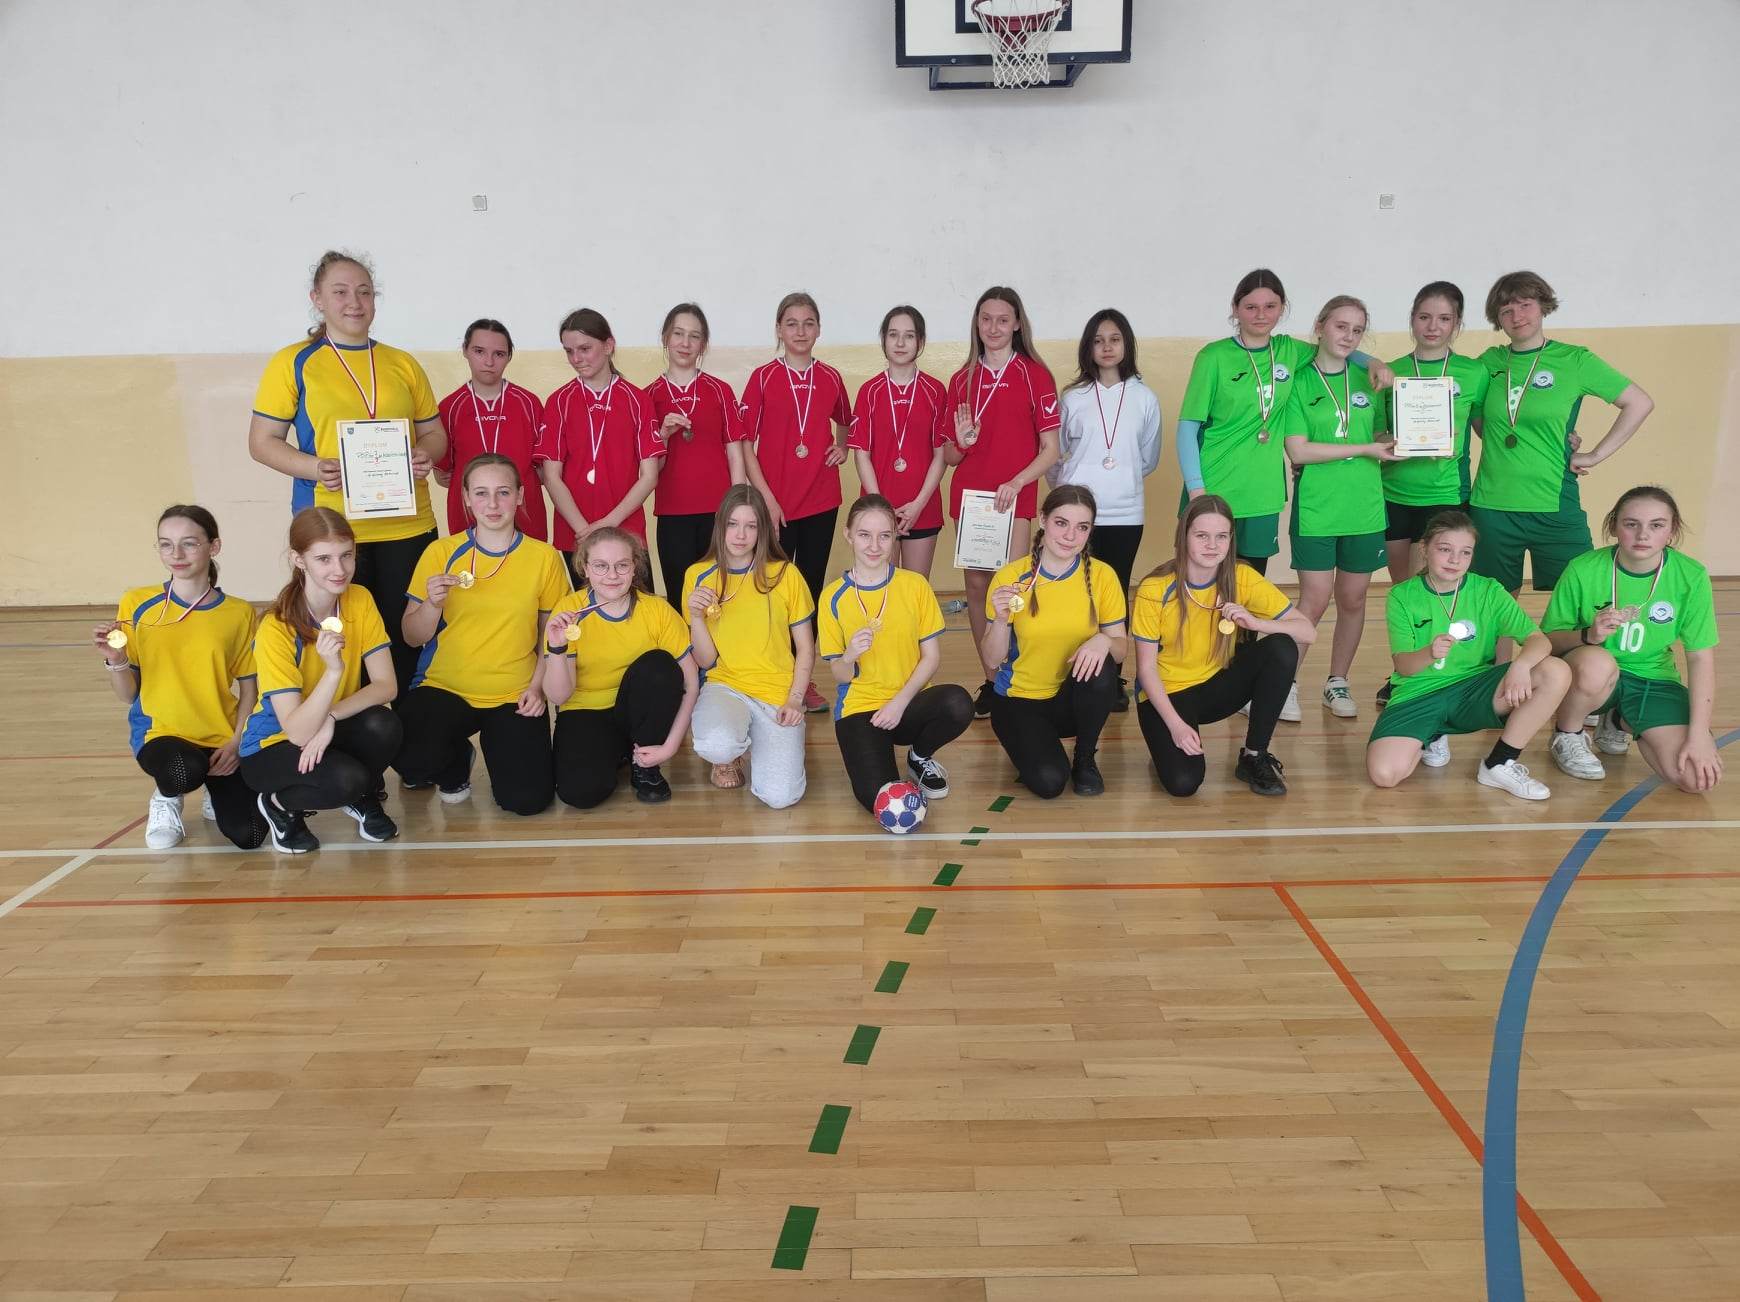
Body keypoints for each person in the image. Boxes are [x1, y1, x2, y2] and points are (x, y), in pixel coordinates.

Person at [247, 250, 448, 691]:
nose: (354, 302)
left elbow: (435, 433)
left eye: (364, 292)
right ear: (317, 299)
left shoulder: (402, 363)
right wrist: (314, 467)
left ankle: (406, 727)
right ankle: (346, 723)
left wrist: (424, 453)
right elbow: (261, 443)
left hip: (407, 525)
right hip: (332, 529)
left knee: (406, 639)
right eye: (340, 292)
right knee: (338, 638)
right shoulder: (294, 362)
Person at [1177, 268, 1394, 579]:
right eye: (1251, 307)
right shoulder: (1214, 356)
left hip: (1263, 493)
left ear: (1282, 308)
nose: (1261, 315)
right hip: (1214, 485)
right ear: (1235, 309)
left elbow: (1338, 348)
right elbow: (1187, 427)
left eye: (1270, 306)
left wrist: (1373, 362)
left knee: (1249, 587)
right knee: (1201, 582)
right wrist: (1196, 490)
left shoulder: (1289, 351)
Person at [394, 455, 571, 813]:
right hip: (445, 687)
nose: (492, 504)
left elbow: (550, 637)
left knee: (527, 802)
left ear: (520, 496)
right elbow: (412, 637)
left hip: (514, 693)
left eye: (503, 492)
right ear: (466, 498)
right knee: (411, 758)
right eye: (481, 493)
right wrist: (432, 604)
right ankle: (456, 763)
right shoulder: (440, 552)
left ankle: (499, 748)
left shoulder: (544, 557)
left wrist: (536, 688)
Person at [1469, 270, 1655, 608]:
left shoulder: (1575, 361)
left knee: (1581, 603)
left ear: (1543, 306)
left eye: (1525, 305)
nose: (1517, 316)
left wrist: (1594, 455)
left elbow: (1639, 402)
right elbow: (1478, 420)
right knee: (1491, 608)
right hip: (1492, 507)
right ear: (1497, 318)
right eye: (1506, 310)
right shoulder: (1487, 364)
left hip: (1554, 503)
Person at [93, 506, 266, 851]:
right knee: (182, 772)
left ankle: (210, 786)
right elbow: (128, 695)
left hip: (221, 736)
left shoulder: (239, 612)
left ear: (214, 546)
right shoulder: (137, 602)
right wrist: (117, 660)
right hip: (161, 733)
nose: (176, 554)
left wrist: (236, 742)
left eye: (189, 543)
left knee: (250, 836)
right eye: (166, 544)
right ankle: (167, 795)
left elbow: (250, 688)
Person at [1366, 511, 1571, 800]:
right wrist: (1428, 653)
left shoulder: (1489, 590)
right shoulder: (1402, 596)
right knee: (1385, 775)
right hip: (1418, 694)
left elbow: (1538, 640)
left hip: (1473, 690)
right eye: (1445, 549)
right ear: (1424, 549)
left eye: (1465, 552)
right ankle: (1430, 734)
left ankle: (1499, 763)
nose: (1455, 560)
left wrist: (1521, 666)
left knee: (1554, 671)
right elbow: (1404, 666)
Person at [240, 508, 404, 853]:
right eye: (324, 559)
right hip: (273, 744)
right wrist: (333, 672)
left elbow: (386, 685)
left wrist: (331, 716)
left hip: (326, 725)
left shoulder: (359, 599)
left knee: (384, 724)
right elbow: (298, 732)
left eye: (346, 555)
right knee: (347, 780)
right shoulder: (276, 628)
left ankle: (361, 797)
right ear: (298, 560)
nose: (339, 569)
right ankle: (278, 805)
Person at [1539, 485, 1722, 791]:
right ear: (1614, 526)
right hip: (1592, 677)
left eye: (1657, 525)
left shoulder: (1691, 576)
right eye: (1631, 524)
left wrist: (1699, 733)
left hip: (1653, 678)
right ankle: (1567, 734)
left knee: (1694, 779)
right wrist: (1588, 635)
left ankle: (1618, 720)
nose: (1643, 535)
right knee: (1597, 663)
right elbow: (1549, 643)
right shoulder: (1583, 569)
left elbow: (1701, 658)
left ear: (1672, 531)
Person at [1130, 495, 1313, 798]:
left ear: (1230, 540)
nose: (1212, 545)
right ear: (1184, 536)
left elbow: (1307, 631)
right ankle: (1164, 748)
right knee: (1183, 783)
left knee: (1281, 647)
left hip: (1216, 687)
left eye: (1221, 536)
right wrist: (1175, 726)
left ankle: (1254, 755)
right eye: (1202, 535)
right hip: (1166, 692)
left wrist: (1257, 623)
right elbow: (1146, 670)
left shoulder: (1242, 577)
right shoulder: (1155, 588)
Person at [945, 286, 1063, 719]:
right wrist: (962, 441)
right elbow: (950, 455)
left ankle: (1017, 674)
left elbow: (1051, 449)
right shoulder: (961, 380)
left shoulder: (1035, 375)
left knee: (1009, 589)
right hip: (972, 500)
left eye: (1002, 319)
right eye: (986, 319)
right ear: (977, 324)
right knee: (977, 589)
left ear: (1016, 324)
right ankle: (992, 679)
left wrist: (1017, 481)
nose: (993, 327)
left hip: (1014, 497)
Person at [1281, 295, 1397, 722]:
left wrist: (1399, 440)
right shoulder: (1298, 381)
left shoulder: (1370, 379)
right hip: (1318, 508)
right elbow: (1299, 450)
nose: (1349, 336)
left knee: (1353, 597)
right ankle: (1284, 684)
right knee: (1313, 599)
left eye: (1357, 329)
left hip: (1364, 507)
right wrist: (1365, 448)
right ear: (1320, 326)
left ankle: (1337, 682)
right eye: (1340, 326)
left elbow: (1381, 432)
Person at [819, 495, 974, 815]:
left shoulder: (915, 586)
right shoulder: (832, 597)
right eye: (865, 535)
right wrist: (849, 656)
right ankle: (877, 753)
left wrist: (899, 703)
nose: (874, 545)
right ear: (848, 535)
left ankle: (919, 757)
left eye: (884, 536)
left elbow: (931, 658)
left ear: (895, 537)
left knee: (958, 702)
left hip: (908, 704)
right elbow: (839, 674)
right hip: (861, 709)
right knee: (877, 798)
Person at [738, 292, 851, 712]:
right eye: (791, 323)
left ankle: (803, 680)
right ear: (779, 330)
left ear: (818, 329)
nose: (800, 331)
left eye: (808, 323)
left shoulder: (831, 377)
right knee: (772, 590)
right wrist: (766, 499)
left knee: (810, 588)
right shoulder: (763, 378)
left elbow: (847, 422)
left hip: (821, 497)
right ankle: (774, 675)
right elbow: (745, 442)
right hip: (776, 504)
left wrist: (842, 446)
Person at [982, 485, 1126, 798]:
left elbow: (1120, 648)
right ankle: (1033, 747)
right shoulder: (1011, 577)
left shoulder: (1103, 576)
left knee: (1103, 665)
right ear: (1043, 519)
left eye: (1082, 527)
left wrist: (1104, 640)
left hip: (1070, 702)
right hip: (1019, 700)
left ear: (1090, 531)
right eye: (1061, 523)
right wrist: (1001, 619)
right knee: (1049, 783)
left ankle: (1085, 758)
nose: (1070, 536)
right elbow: (992, 660)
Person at [1055, 308, 1163, 712]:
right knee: (1074, 591)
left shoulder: (1144, 397)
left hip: (1125, 513)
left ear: (1126, 345)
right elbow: (1056, 453)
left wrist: (1119, 478)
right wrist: (1067, 493)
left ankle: (1112, 676)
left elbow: (1148, 457)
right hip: (1078, 512)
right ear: (1088, 347)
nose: (1106, 347)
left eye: (1114, 339)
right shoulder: (1073, 397)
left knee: (1115, 591)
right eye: (1098, 340)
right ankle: (1070, 673)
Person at [545, 528, 699, 808]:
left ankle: (645, 763)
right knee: (581, 794)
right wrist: (557, 648)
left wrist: (670, 746)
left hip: (636, 711)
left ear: (634, 567)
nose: (612, 575)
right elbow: (558, 696)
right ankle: (617, 751)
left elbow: (690, 682)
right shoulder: (568, 611)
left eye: (622, 565)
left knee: (660, 665)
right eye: (601, 566)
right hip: (586, 709)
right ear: (585, 569)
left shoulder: (657, 610)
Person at [682, 485, 816, 807]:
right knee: (717, 744)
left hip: (776, 693)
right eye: (733, 524)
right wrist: (696, 617)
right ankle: (730, 752)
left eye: (751, 525)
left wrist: (795, 699)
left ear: (762, 530)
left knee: (781, 797)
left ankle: (761, 739)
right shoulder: (698, 575)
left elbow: (806, 649)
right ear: (720, 524)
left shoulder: (785, 574)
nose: (740, 535)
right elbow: (705, 659)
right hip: (726, 686)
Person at [1377, 282, 1488, 587]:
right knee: (1403, 588)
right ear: (1412, 319)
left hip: (1444, 494)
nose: (1433, 327)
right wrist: (1400, 442)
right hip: (1392, 493)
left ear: (1457, 323)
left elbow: (1488, 430)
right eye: (1424, 317)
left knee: (1427, 586)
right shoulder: (1390, 371)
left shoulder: (1474, 372)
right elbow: (1377, 436)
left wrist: (1566, 438)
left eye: (1444, 319)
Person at [537, 307, 663, 562]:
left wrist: (608, 523)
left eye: (585, 348)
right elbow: (551, 476)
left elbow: (649, 476)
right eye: (569, 351)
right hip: (576, 534)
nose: (576, 358)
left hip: (626, 531)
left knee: (632, 591)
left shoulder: (638, 400)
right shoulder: (558, 401)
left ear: (608, 346)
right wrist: (585, 531)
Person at [647, 303, 748, 602]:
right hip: (672, 513)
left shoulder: (720, 390)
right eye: (678, 333)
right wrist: (663, 435)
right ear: (665, 337)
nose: (685, 343)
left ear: (703, 344)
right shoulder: (648, 396)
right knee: (681, 596)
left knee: (722, 595)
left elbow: (735, 454)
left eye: (694, 336)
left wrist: (737, 509)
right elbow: (648, 469)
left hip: (718, 512)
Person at [848, 306, 950, 578]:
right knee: (881, 588)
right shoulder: (869, 391)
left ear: (921, 341)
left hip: (923, 507)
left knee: (916, 588)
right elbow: (861, 455)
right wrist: (882, 508)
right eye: (893, 335)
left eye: (909, 335)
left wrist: (918, 504)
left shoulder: (935, 390)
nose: (901, 343)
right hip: (877, 510)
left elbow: (941, 455)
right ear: (884, 339)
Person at [434, 318, 548, 540]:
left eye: (499, 354)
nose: (489, 362)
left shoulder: (529, 403)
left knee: (528, 562)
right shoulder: (450, 407)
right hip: (468, 517)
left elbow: (544, 472)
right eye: (479, 351)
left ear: (509, 357)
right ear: (465, 350)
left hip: (526, 516)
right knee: (471, 563)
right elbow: (443, 476)